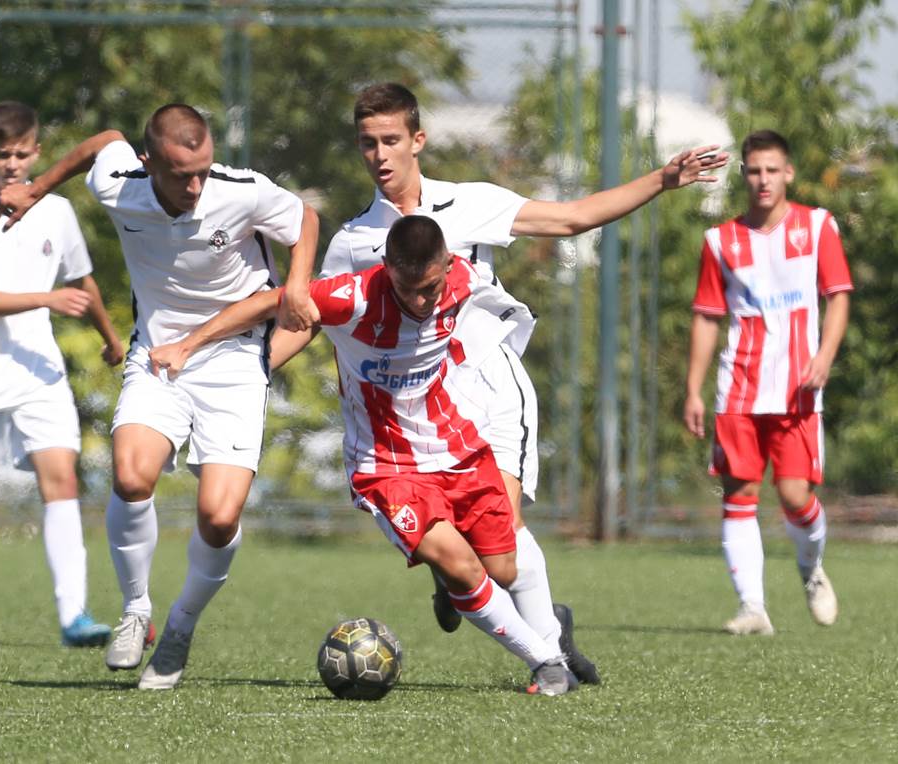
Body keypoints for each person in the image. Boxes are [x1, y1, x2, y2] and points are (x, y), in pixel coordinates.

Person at [270, 82, 729, 682]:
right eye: (367, 143)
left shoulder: (467, 203)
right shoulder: (355, 241)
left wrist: (661, 181)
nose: (379, 156)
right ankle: (540, 644)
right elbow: (315, 318)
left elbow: (572, 219)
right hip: (412, 408)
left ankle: (533, 631)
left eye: (390, 141)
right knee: (474, 557)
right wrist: (255, 371)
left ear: (418, 141)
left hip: (489, 386)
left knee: (503, 546)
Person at [152, 214, 580, 695]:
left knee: (500, 570)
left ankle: (452, 581)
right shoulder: (353, 296)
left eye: (430, 289)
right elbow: (268, 303)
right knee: (464, 568)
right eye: (407, 289)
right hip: (387, 466)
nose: (420, 301)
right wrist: (188, 345)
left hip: (458, 449)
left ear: (447, 265)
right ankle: (548, 663)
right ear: (388, 268)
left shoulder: (466, 277)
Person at [0, 103, 319, 689]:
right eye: (180, 174)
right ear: (148, 165)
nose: (195, 185)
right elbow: (104, 141)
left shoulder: (240, 191)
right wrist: (36, 190)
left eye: (203, 169)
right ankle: (137, 608)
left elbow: (303, 218)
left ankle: (180, 627)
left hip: (237, 359)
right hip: (160, 355)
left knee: (219, 517)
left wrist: (296, 284)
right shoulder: (123, 188)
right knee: (130, 475)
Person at [0, 101, 124, 649]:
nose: (11, 164)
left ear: (37, 152)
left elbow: (81, 281)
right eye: (0, 154)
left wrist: (111, 340)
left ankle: (75, 617)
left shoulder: (56, 211)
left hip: (39, 372)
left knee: (60, 482)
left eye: (20, 153)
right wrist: (45, 297)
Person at [683, 129, 852, 635]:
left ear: (788, 173)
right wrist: (693, 387)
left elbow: (838, 295)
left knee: (797, 496)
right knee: (739, 492)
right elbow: (707, 315)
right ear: (744, 174)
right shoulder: (720, 241)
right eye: (754, 170)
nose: (763, 180)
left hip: (798, 388)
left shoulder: (817, 226)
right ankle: (752, 607)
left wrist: (824, 354)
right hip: (738, 387)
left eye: (772, 170)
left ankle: (810, 569)